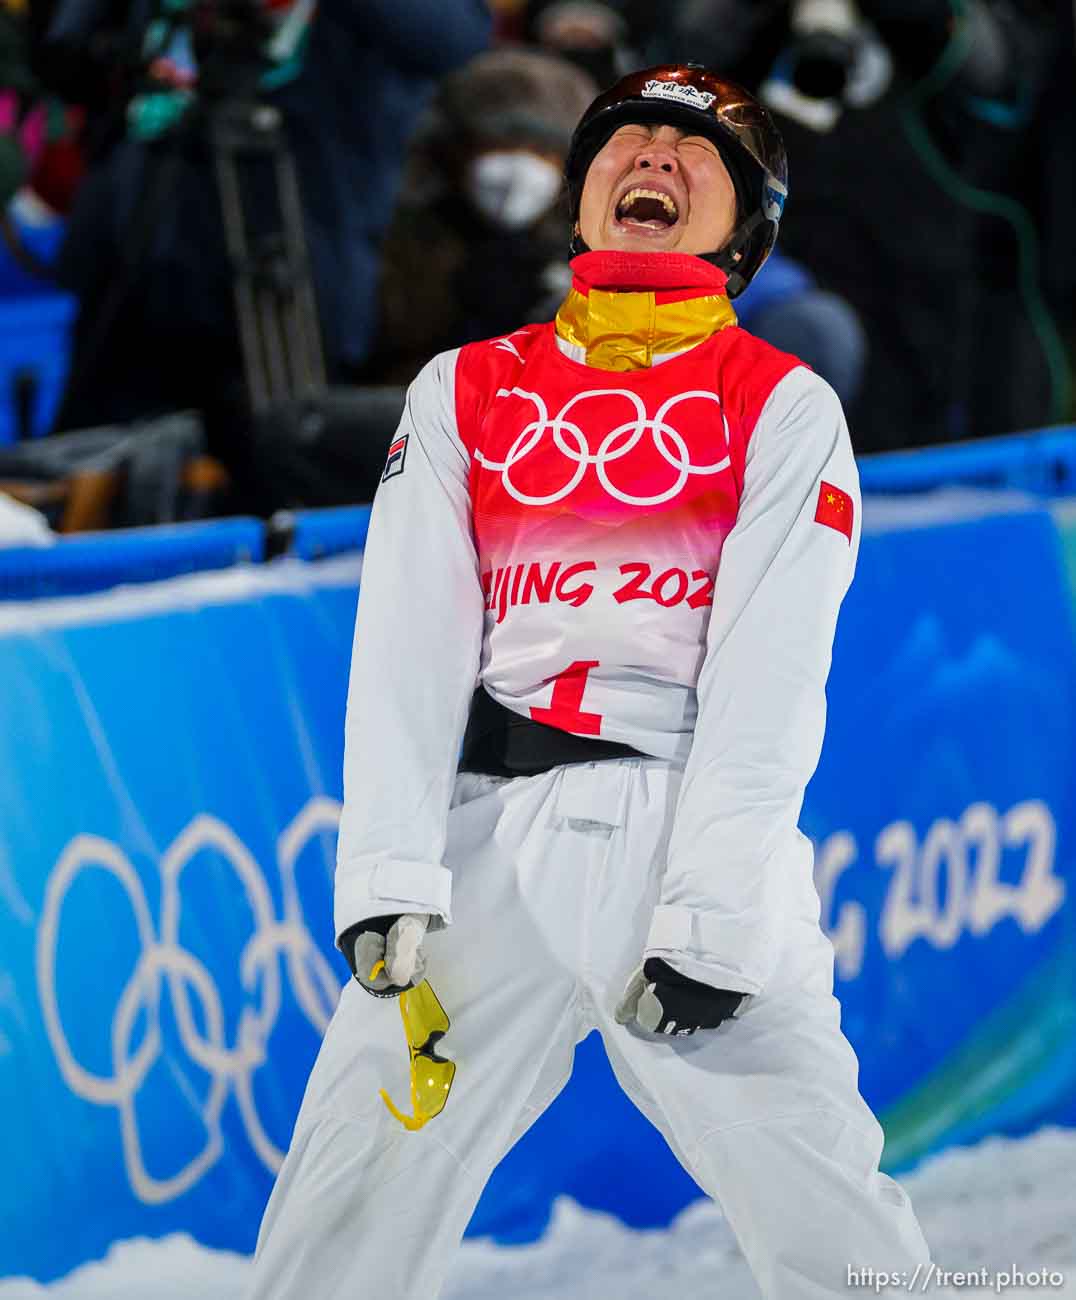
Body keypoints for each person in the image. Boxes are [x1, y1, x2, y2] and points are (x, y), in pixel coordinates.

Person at [246, 64, 931, 1299]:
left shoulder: (781, 407)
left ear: (747, 229)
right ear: (580, 195)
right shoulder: (461, 390)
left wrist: (713, 921)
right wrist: (387, 871)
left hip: (680, 836)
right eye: (627, 142)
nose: (653, 160)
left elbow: (770, 683)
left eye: (694, 151)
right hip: (480, 854)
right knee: (341, 1207)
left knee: (830, 1226)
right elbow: (406, 644)